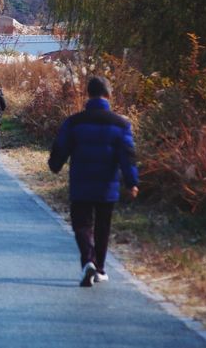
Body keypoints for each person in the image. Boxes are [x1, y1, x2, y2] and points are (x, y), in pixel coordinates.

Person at [48, 76, 139, 287]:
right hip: (108, 184)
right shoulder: (121, 124)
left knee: (82, 224)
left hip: (81, 182)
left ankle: (88, 260)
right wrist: (131, 182)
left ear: (87, 94)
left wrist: (55, 164)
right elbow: (128, 156)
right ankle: (99, 269)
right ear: (108, 95)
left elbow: (61, 147)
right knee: (103, 226)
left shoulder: (74, 122)